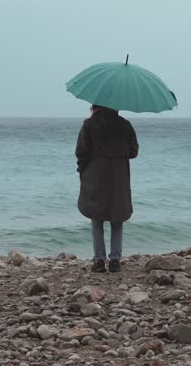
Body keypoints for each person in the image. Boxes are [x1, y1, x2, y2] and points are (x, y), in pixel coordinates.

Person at [75, 104, 139, 273]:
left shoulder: (89, 125)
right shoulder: (125, 125)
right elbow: (133, 152)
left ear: (96, 106)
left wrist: (82, 170)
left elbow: (81, 152)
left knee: (97, 218)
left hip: (95, 175)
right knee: (117, 217)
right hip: (119, 177)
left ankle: (99, 261)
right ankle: (115, 261)